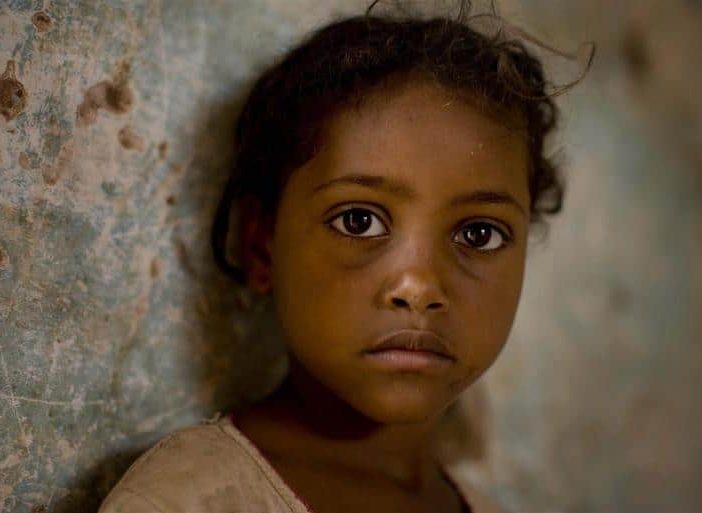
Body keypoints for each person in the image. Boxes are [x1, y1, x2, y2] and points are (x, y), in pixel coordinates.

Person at [98, 1, 591, 511]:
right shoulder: (191, 498)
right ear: (261, 247)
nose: (418, 287)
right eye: (359, 221)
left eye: (479, 234)